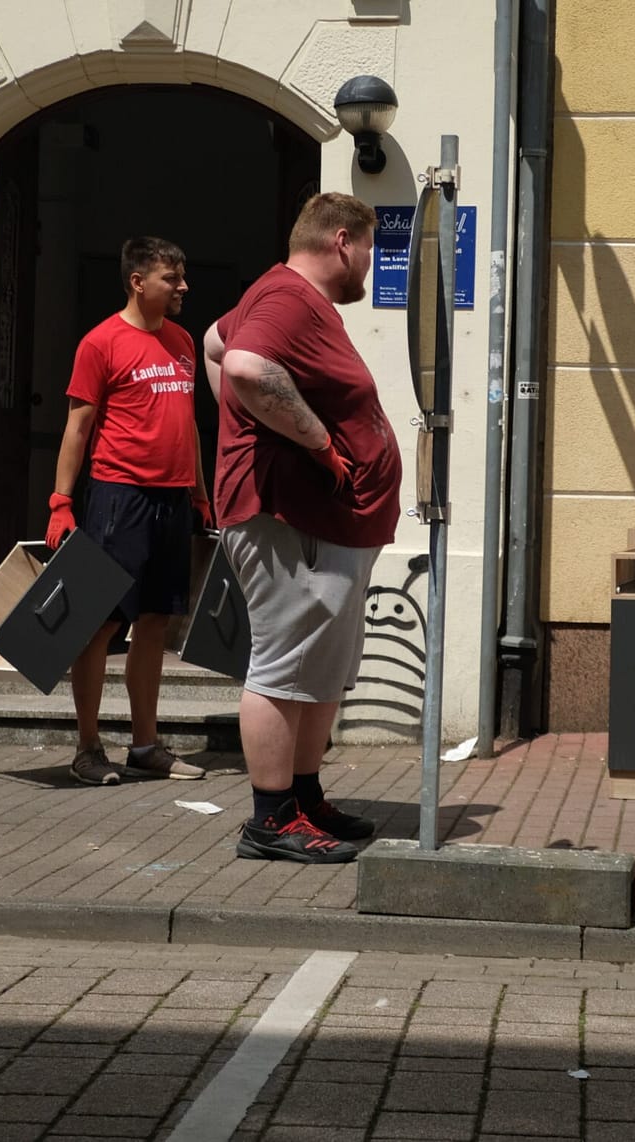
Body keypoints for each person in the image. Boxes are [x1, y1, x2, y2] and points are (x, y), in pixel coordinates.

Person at [204, 192, 401, 864]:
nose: (370, 262)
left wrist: (239, 426)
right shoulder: (288, 297)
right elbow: (243, 366)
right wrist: (316, 443)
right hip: (291, 518)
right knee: (284, 665)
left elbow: (213, 343)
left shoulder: (284, 297)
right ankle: (270, 820)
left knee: (317, 668)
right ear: (342, 240)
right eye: (369, 248)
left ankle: (303, 799)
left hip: (321, 522)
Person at [46, 236, 212, 787]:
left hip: (172, 498)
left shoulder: (182, 341)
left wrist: (199, 491)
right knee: (101, 622)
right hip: (118, 497)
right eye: (172, 278)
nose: (184, 286)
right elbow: (77, 427)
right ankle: (88, 748)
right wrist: (61, 502)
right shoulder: (100, 343)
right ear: (138, 282)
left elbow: (187, 422)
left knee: (156, 621)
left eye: (182, 276)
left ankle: (145, 746)